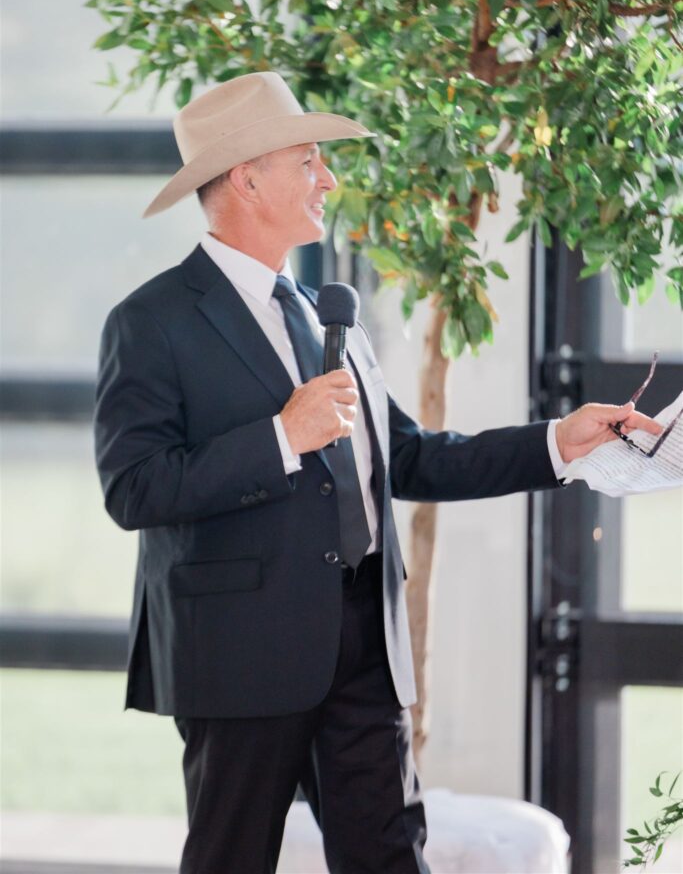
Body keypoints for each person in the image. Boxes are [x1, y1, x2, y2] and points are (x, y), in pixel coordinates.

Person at [94, 71, 661, 874]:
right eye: (309, 161)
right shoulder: (150, 322)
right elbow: (134, 488)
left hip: (362, 643)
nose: (328, 179)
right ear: (247, 177)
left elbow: (413, 457)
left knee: (392, 860)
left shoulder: (328, 313)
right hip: (240, 656)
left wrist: (556, 443)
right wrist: (281, 435)